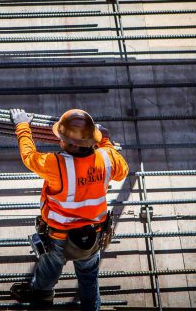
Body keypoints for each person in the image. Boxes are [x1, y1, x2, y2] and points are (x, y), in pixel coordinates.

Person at [9, 108, 129, 311]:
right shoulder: (107, 157)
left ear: (69, 143)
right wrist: (105, 141)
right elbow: (122, 170)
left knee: (44, 284)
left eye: (61, 138)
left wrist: (22, 126)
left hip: (58, 239)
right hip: (91, 237)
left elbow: (29, 157)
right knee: (89, 282)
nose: (59, 141)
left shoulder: (55, 164)